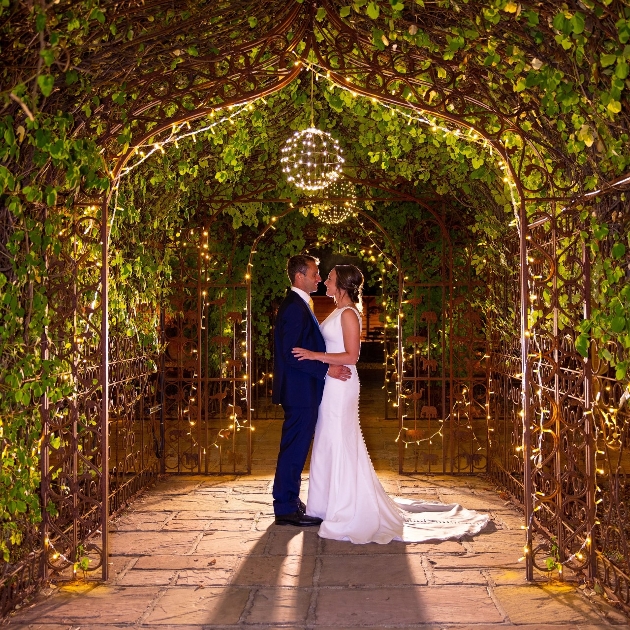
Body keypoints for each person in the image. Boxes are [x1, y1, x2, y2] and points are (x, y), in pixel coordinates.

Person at [293, 264, 489, 543]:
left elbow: (351, 356)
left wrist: (314, 356)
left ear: (343, 285)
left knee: (339, 440)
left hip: (342, 385)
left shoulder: (349, 314)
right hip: (331, 384)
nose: (325, 281)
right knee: (328, 440)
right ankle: (326, 505)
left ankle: (345, 506)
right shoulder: (337, 311)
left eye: (330, 278)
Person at [272, 255, 352, 527]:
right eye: (315, 274)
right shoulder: (294, 307)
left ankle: (289, 501)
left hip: (303, 391)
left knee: (295, 448)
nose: (319, 279)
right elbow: (291, 354)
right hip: (299, 392)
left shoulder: (299, 304)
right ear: (299, 277)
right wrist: (326, 370)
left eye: (320, 275)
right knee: (294, 449)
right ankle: (285, 507)